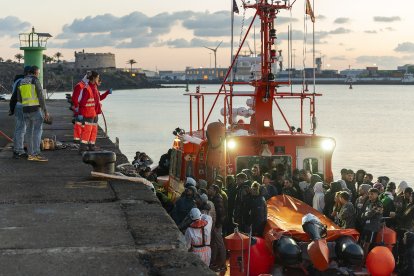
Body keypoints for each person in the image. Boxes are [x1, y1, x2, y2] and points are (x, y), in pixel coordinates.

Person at [17, 65, 50, 161]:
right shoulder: (35, 80)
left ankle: (30, 154)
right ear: (35, 72)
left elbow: (19, 98)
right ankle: (36, 153)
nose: (39, 74)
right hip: (35, 110)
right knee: (37, 131)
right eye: (38, 73)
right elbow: (41, 97)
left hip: (25, 110)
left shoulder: (21, 81)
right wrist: (45, 111)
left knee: (29, 131)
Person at [9, 65, 31, 159]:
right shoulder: (23, 82)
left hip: (18, 106)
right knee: (21, 129)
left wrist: (12, 108)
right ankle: (19, 151)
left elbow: (14, 96)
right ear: (28, 73)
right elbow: (16, 96)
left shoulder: (17, 80)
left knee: (19, 129)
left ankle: (17, 149)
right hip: (22, 107)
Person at [89, 75, 111, 150]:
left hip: (95, 112)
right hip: (91, 112)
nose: (100, 83)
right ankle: (89, 145)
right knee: (90, 129)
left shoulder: (95, 89)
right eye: (99, 81)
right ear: (96, 80)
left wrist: (107, 93)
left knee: (93, 129)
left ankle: (92, 145)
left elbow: (99, 98)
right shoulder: (91, 88)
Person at [208, 185, 226, 272]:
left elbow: (220, 213)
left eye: (210, 189)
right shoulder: (214, 198)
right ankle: (213, 262)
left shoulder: (217, 199)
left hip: (217, 225)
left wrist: (217, 225)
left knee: (220, 244)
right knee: (214, 244)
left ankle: (223, 265)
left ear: (215, 190)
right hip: (215, 225)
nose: (209, 190)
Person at [360, 188, 383, 257]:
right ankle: (360, 259)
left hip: (373, 227)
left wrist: (364, 214)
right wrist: (365, 214)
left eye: (372, 194)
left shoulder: (379, 204)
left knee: (367, 245)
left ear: (377, 195)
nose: (370, 195)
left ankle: (364, 262)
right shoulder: (368, 202)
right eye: (369, 194)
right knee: (362, 243)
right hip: (366, 226)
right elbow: (363, 212)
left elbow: (370, 214)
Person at [71, 72, 90, 144]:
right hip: (79, 108)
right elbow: (75, 98)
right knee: (79, 124)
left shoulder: (85, 85)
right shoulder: (80, 86)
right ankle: (78, 139)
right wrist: (77, 108)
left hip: (82, 108)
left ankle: (80, 138)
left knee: (81, 124)